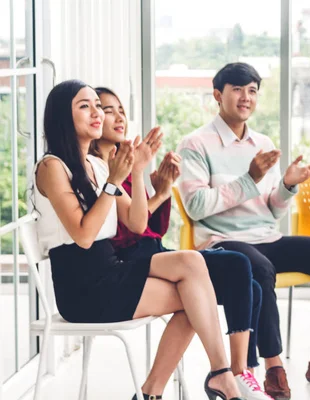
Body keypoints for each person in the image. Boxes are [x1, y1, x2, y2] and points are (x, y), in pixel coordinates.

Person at [35, 80, 243, 400]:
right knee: (195, 295)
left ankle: (181, 385)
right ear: (63, 117)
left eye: (97, 106)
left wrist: (138, 172)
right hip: (82, 289)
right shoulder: (52, 166)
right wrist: (114, 181)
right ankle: (212, 380)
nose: (97, 114)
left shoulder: (97, 164)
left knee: (193, 276)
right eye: (85, 106)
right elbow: (84, 235)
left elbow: (136, 222)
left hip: (110, 270)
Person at [177, 62, 310, 400]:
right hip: (223, 243)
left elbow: (271, 210)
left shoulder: (262, 143)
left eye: (252, 90)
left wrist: (287, 186)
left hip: (267, 237)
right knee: (260, 269)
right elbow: (196, 206)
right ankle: (269, 367)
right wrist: (249, 179)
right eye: (237, 89)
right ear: (217, 95)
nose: (245, 97)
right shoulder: (196, 143)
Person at [90, 87, 269, 400]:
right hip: (129, 261)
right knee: (236, 264)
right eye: (108, 110)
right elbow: (129, 229)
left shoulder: (120, 160)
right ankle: (236, 374)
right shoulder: (102, 168)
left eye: (120, 109)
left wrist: (161, 188)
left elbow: (148, 225)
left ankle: (154, 392)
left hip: (150, 252)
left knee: (249, 286)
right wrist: (139, 170)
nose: (118, 117)